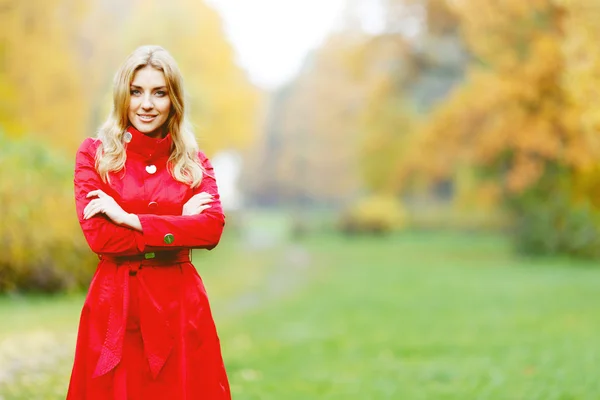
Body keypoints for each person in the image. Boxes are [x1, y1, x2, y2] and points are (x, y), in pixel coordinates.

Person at [67, 45, 231, 399]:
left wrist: (131, 219)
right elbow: (102, 239)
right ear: (122, 95)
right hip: (116, 306)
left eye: (159, 93)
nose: (146, 104)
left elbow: (211, 228)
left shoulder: (193, 162)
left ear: (174, 100)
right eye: (136, 92)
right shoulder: (94, 156)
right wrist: (177, 223)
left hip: (181, 307)